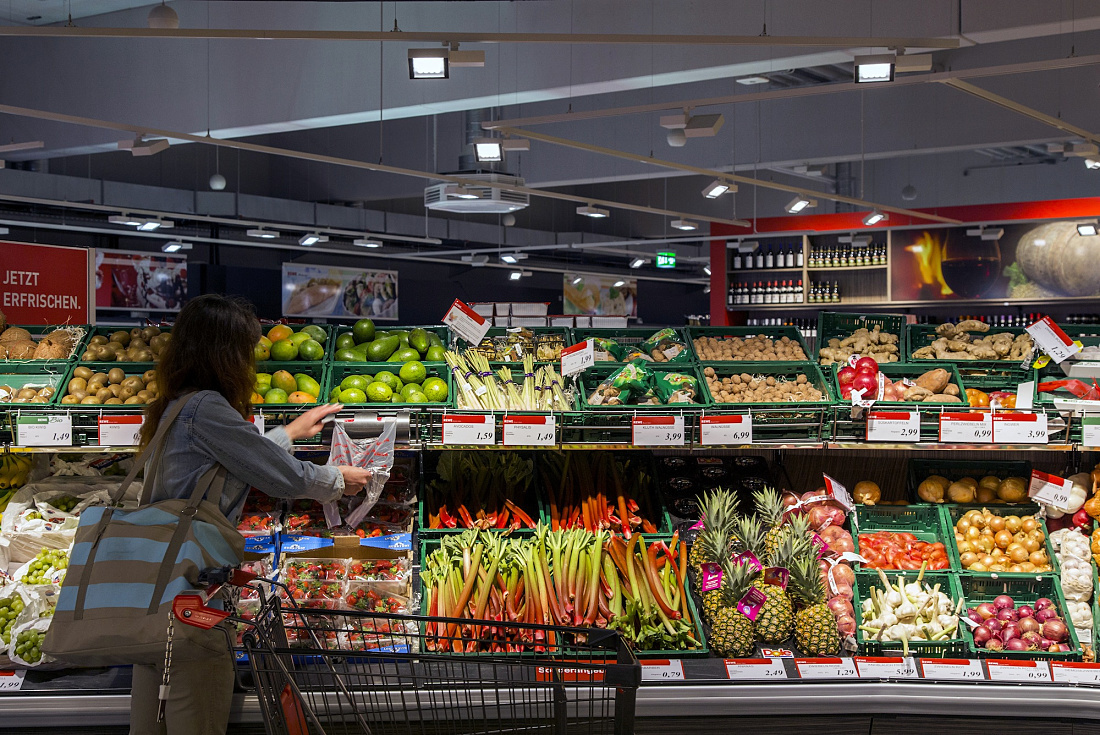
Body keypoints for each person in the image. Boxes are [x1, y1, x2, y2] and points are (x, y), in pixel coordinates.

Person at [128, 294, 372, 735]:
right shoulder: (207, 408)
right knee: (196, 719)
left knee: (150, 725)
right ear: (227, 354)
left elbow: (234, 459)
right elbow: (283, 478)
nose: (252, 364)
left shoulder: (176, 405)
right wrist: (338, 480)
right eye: (247, 350)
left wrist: (290, 432)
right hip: (191, 602)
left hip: (154, 598)